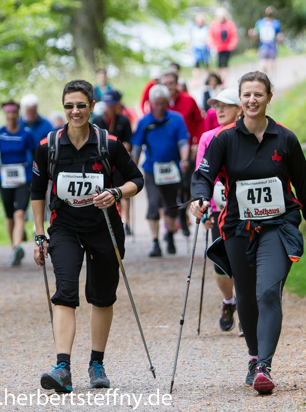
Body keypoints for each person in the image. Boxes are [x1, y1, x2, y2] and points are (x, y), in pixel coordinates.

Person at [189, 71, 306, 394]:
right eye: (247, 95)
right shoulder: (225, 139)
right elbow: (204, 174)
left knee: (267, 291)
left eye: (258, 94)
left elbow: (305, 187)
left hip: (278, 226)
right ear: (240, 100)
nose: (252, 100)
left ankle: (265, 364)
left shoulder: (285, 139)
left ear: (268, 98)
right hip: (238, 227)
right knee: (247, 296)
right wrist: (199, 197)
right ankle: (253, 356)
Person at [31, 79, 144, 393]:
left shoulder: (108, 144)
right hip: (64, 228)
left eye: (81, 105)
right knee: (65, 292)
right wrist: (39, 236)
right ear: (63, 108)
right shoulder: (48, 146)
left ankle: (97, 363)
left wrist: (116, 192)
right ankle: (62, 367)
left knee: (102, 295)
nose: (75, 111)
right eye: (69, 105)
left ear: (92, 106)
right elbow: (37, 192)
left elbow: (137, 179)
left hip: (104, 227)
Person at [195, 89, 242, 333]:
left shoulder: (250, 135)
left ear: (240, 108)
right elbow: (203, 177)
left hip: (248, 208)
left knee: (249, 260)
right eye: (216, 106)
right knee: (221, 262)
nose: (219, 110)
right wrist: (206, 211)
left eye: (226, 105)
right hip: (219, 210)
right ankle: (229, 301)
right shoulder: (208, 137)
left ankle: (247, 306)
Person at [131, 84, 190, 257]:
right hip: (151, 169)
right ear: (151, 103)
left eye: (162, 103)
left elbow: (183, 142)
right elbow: (136, 146)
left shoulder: (176, 119)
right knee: (153, 203)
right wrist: (132, 167)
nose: (159, 106)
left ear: (167, 102)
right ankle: (155, 241)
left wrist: (185, 159)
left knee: (171, 204)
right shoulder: (144, 122)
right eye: (156, 103)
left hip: (172, 168)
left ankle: (170, 235)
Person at [0, 99, 36, 266]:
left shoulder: (26, 133)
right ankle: (13, 248)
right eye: (8, 113)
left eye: (14, 112)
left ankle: (17, 247)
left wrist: (33, 170)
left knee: (19, 213)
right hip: (5, 179)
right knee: (9, 215)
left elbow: (35, 154)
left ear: (18, 114)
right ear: (5, 114)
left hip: (23, 178)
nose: (11, 116)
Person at [160, 70, 204, 237]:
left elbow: (199, 122)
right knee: (170, 188)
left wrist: (196, 142)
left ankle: (183, 215)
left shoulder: (188, 100)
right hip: (168, 153)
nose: (168, 87)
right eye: (164, 84)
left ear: (176, 84)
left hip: (187, 151)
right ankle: (171, 223)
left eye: (171, 83)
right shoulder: (159, 103)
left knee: (186, 186)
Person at [92, 90, 134, 235]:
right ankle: (117, 218)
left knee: (123, 190)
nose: (109, 107)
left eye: (112, 104)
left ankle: (127, 222)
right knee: (108, 190)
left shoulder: (123, 120)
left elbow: (129, 140)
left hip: (119, 161)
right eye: (107, 104)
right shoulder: (97, 120)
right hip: (103, 162)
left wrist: (127, 146)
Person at [248, 6, 283, 78]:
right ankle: (265, 77)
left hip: (272, 46)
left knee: (271, 64)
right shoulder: (260, 22)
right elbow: (255, 33)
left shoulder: (276, 23)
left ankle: (271, 79)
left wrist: (280, 38)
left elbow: (279, 34)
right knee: (262, 64)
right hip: (263, 46)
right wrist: (252, 33)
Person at [207, 8, 239, 82]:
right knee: (219, 64)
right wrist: (212, 45)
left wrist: (232, 44)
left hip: (227, 47)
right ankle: (219, 79)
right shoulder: (214, 24)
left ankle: (224, 79)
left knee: (225, 63)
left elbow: (233, 35)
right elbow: (210, 36)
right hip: (218, 48)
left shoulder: (230, 24)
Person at [188, 14, 211, 87]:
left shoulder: (206, 28)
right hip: (196, 48)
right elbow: (190, 38)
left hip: (204, 48)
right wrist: (188, 47)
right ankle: (196, 81)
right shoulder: (193, 29)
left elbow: (209, 37)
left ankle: (209, 79)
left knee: (206, 65)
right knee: (196, 66)